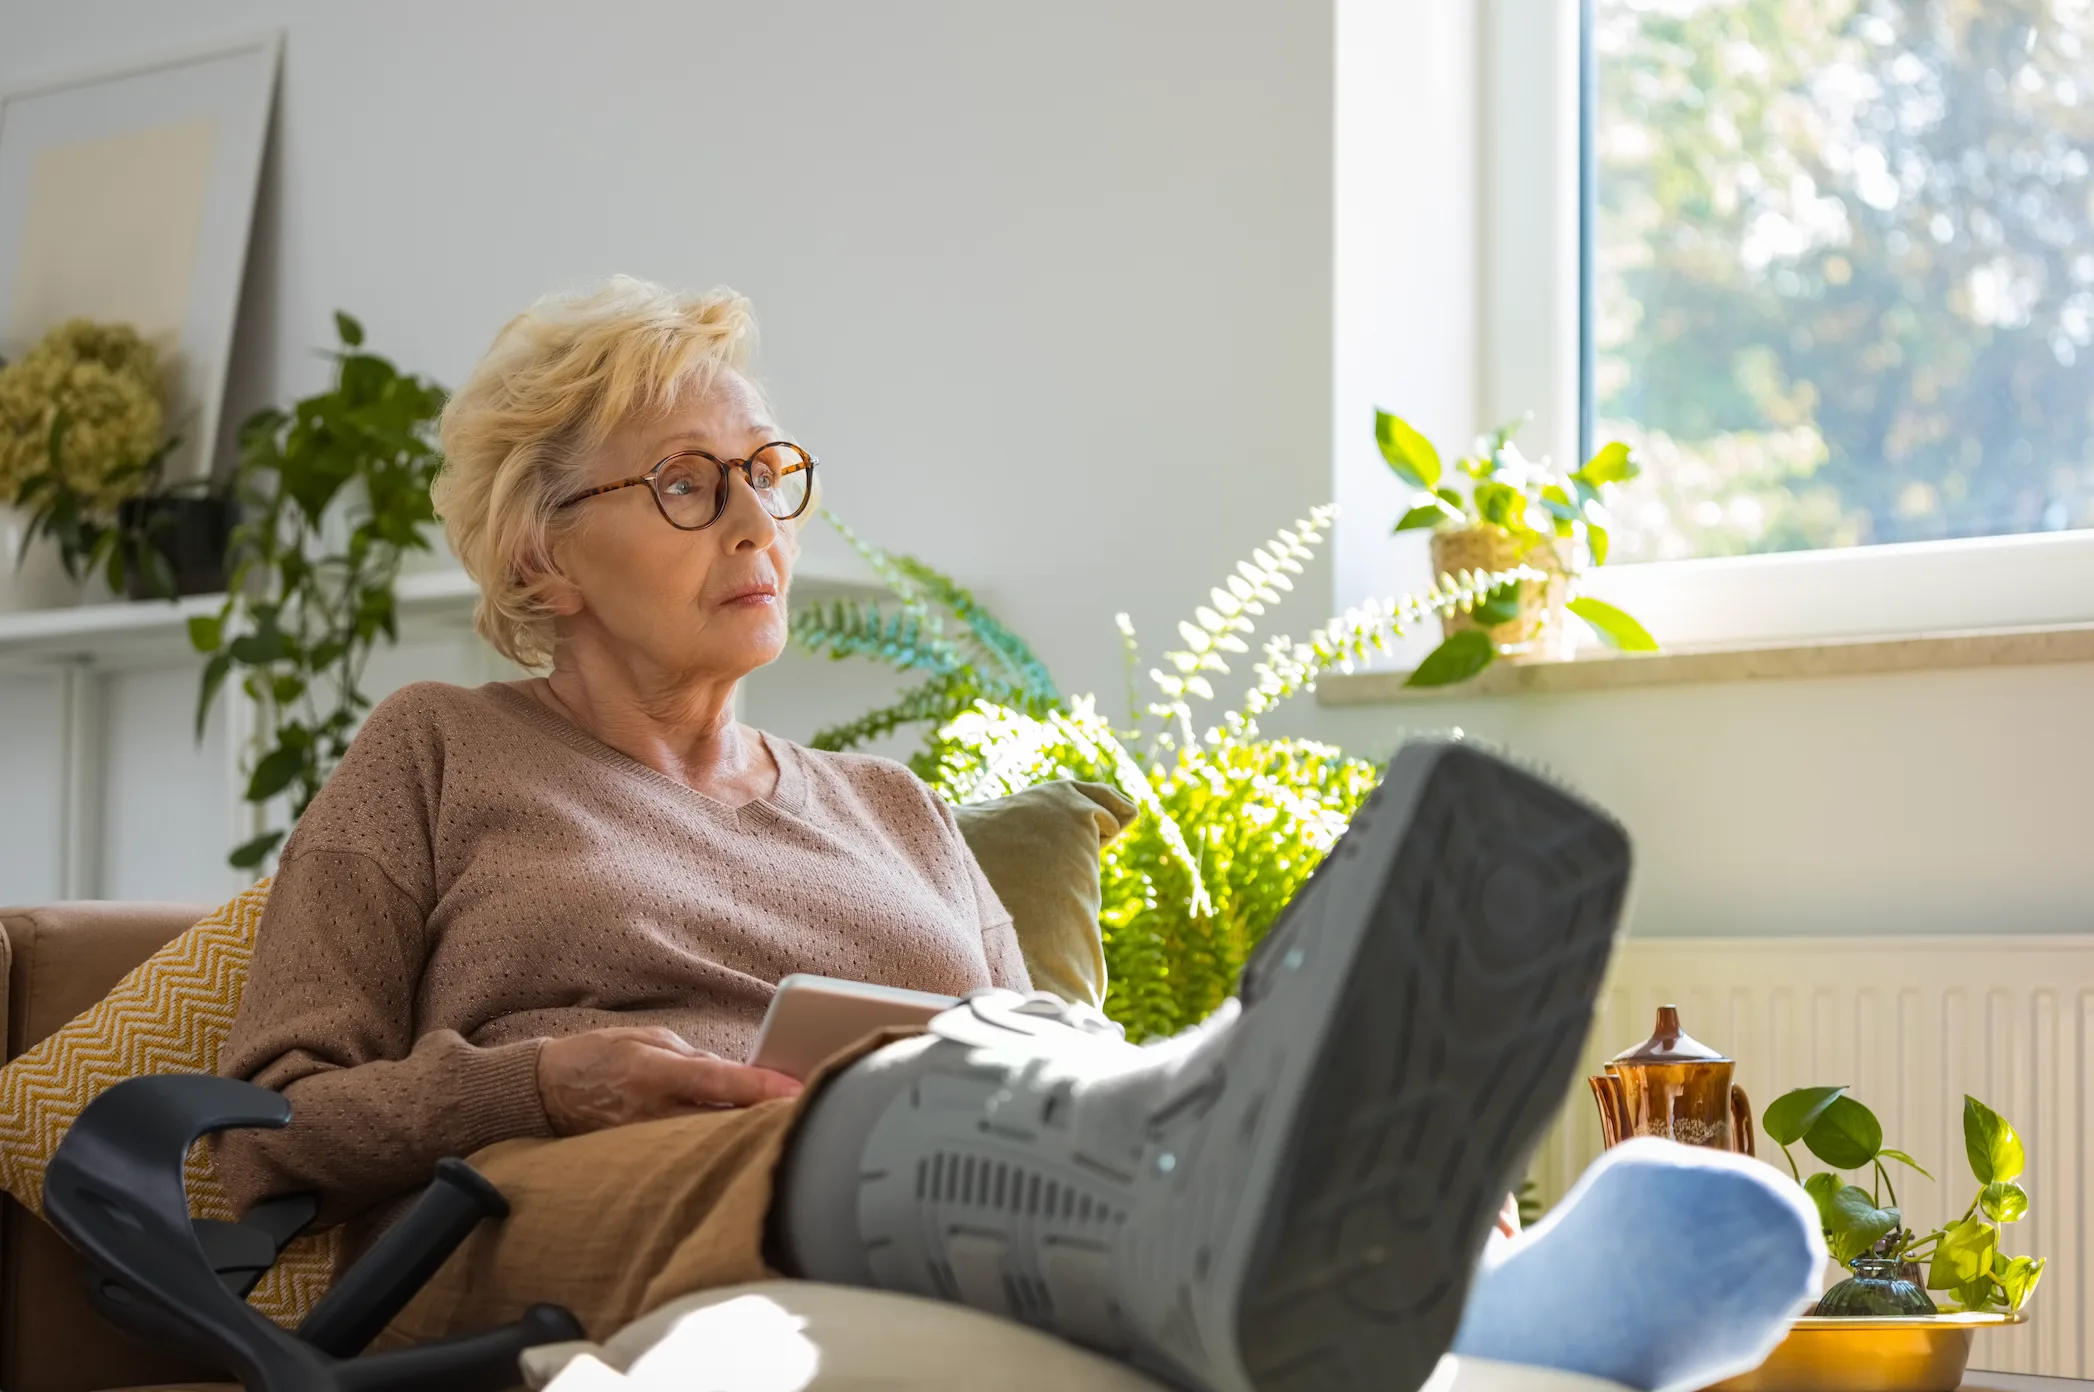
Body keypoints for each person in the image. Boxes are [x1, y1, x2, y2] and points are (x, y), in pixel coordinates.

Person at [216, 278, 1822, 1392]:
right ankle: (1372, 1247)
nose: (761, 521)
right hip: (572, 1204)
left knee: (1038, 1070)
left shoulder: (892, 807)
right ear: (538, 556)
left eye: (767, 471)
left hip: (939, 1137)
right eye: (690, 485)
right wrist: (549, 1078)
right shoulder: (435, 753)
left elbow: (1049, 1048)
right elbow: (254, 1133)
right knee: (943, 1094)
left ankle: (1444, 1261)